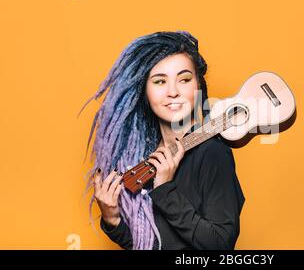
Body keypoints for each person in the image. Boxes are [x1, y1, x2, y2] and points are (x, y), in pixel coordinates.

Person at [79, 31, 245, 250]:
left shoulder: (212, 152)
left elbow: (220, 244)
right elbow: (152, 244)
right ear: (145, 92)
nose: (173, 92)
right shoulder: (146, 155)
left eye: (184, 79)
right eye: (159, 81)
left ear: (198, 86)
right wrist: (113, 221)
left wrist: (165, 189)